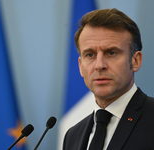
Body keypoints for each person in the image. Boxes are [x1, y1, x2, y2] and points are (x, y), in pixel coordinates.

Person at [63, 8, 154, 150]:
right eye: (90, 55)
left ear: (135, 61)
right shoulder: (73, 135)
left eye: (111, 53)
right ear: (81, 66)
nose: (99, 65)